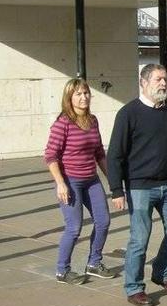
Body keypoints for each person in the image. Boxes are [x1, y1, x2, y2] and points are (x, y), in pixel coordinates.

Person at [107, 64, 167, 306]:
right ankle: (134, 287)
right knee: (140, 239)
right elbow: (114, 155)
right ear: (143, 83)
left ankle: (162, 272)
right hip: (139, 187)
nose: (163, 83)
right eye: (158, 80)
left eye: (165, 79)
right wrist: (117, 190)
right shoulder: (128, 113)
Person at [43, 78, 115, 283]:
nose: (84, 97)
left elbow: (99, 152)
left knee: (103, 221)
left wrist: (112, 179)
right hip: (70, 181)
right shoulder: (63, 123)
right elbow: (50, 156)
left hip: (91, 180)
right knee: (74, 228)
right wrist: (60, 183)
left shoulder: (93, 121)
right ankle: (62, 270)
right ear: (69, 98)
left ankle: (94, 263)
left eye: (86, 93)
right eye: (78, 94)